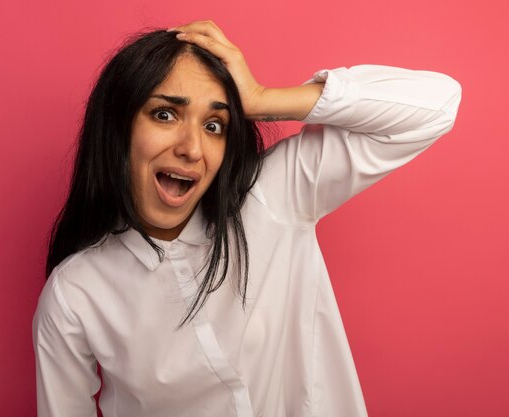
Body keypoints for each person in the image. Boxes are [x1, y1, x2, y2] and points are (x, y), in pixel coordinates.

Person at [32, 20, 461, 417]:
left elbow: (437, 105)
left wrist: (262, 101)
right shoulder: (75, 294)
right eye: (165, 114)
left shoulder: (274, 196)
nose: (192, 148)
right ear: (117, 127)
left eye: (214, 125)